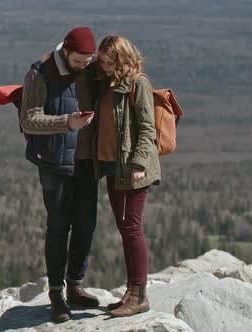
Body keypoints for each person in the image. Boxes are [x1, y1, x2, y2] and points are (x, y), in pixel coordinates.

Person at [20, 26, 101, 323]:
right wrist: (67, 122)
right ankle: (56, 294)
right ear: (66, 51)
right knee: (58, 226)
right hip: (54, 162)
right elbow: (29, 120)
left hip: (87, 160)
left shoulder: (91, 68)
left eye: (88, 60)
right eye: (80, 60)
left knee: (86, 223)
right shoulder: (40, 72)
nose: (84, 66)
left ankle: (76, 286)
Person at [91, 35, 161, 317]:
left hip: (132, 167)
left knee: (132, 227)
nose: (105, 66)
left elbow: (147, 128)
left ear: (121, 59)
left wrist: (139, 163)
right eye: (102, 61)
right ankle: (131, 292)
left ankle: (140, 295)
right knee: (123, 228)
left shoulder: (138, 83)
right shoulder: (108, 84)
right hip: (111, 165)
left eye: (109, 62)